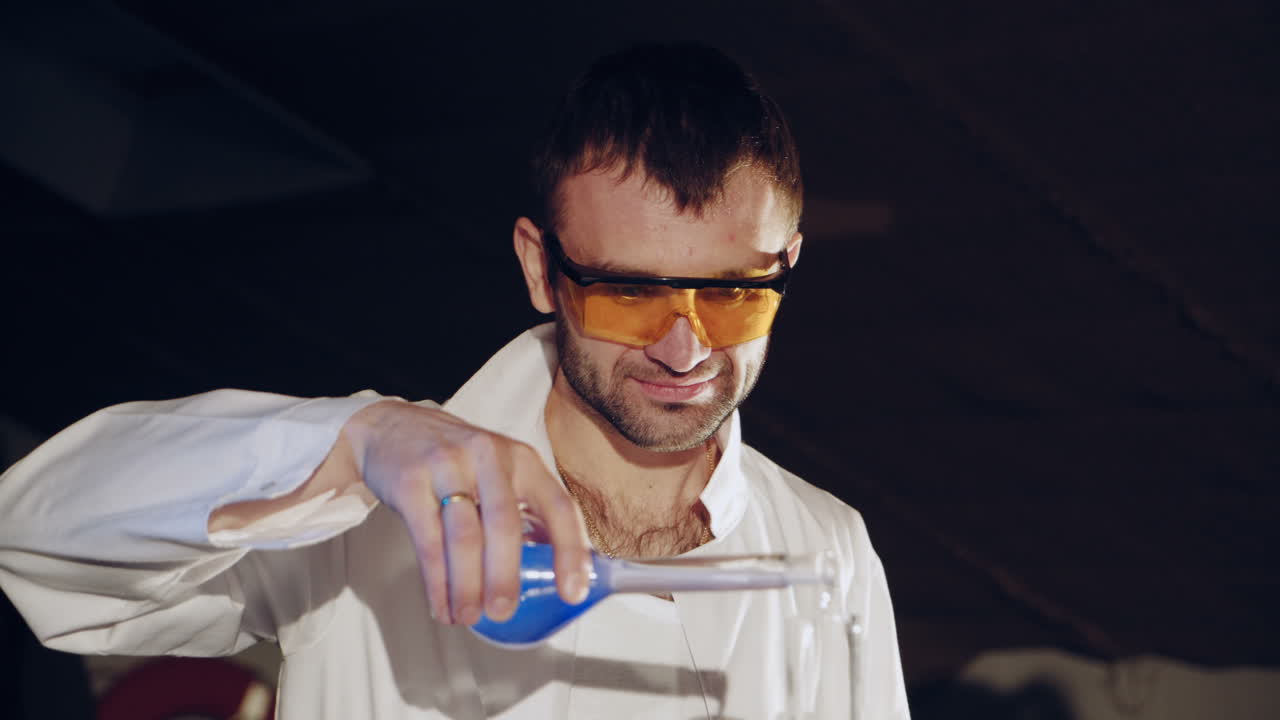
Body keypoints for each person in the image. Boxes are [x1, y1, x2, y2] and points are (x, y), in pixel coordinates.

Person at [0, 44, 910, 718]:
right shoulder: (364, 507)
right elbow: (33, 541)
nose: (684, 349)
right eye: (628, 293)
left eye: (734, 295)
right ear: (540, 268)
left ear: (787, 265)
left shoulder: (830, 549)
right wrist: (351, 442)